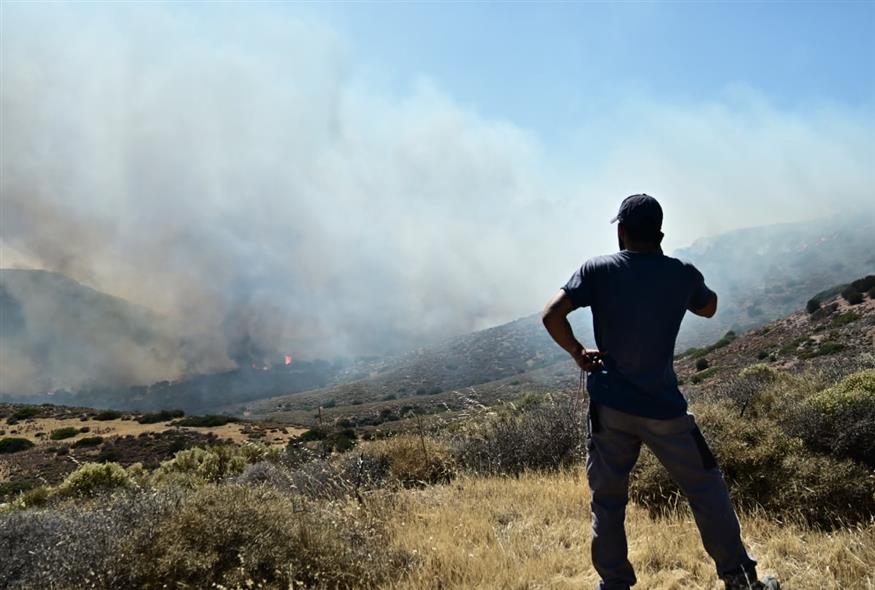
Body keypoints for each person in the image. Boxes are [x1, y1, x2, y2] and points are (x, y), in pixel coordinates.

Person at [541, 194, 779, 590]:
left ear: (621, 232)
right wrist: (679, 279)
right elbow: (709, 308)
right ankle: (739, 579)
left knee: (608, 501)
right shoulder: (681, 273)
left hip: (610, 409)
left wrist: (579, 353)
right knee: (706, 489)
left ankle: (614, 584)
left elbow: (551, 314)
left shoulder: (598, 269)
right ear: (661, 233)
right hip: (665, 410)